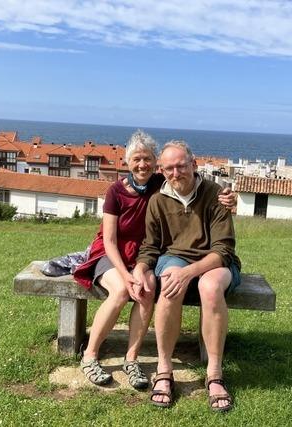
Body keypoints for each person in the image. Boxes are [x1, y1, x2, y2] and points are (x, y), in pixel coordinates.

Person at [73, 131, 236, 390]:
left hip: (154, 258)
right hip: (114, 255)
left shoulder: (165, 183)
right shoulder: (121, 192)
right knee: (122, 292)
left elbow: (193, 180)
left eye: (147, 159)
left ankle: (132, 358)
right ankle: (91, 354)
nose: (142, 165)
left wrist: (230, 197)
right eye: (136, 159)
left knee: (149, 289)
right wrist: (130, 273)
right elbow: (112, 241)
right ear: (127, 162)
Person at [133, 140, 241, 412]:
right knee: (169, 282)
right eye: (168, 168)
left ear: (193, 165)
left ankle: (214, 374)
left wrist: (190, 272)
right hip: (174, 257)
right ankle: (164, 369)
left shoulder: (216, 195)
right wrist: (141, 267)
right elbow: (151, 246)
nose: (175, 173)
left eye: (181, 166)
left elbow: (223, 249)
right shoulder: (158, 200)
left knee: (210, 285)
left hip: (215, 260)